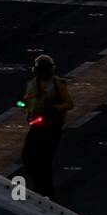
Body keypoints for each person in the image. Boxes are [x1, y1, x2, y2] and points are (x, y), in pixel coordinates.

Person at [20, 54, 74, 201]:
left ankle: (47, 193)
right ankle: (40, 187)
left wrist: (55, 109)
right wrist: (22, 103)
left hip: (51, 128)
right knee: (27, 158)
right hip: (36, 127)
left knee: (43, 161)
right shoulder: (32, 84)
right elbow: (26, 100)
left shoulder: (57, 84)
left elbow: (69, 104)